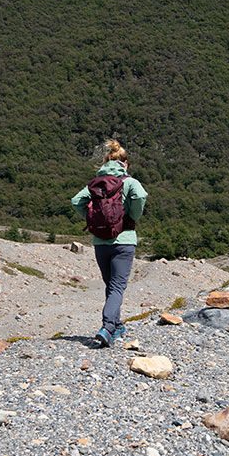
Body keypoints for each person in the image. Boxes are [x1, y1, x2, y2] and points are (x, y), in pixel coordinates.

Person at [71, 139, 148, 347]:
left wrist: (92, 220)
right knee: (117, 287)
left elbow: (76, 200)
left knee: (111, 286)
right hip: (124, 241)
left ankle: (116, 325)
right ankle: (107, 328)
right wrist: (132, 215)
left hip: (100, 242)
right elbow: (140, 196)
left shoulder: (96, 183)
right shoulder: (129, 182)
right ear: (124, 163)